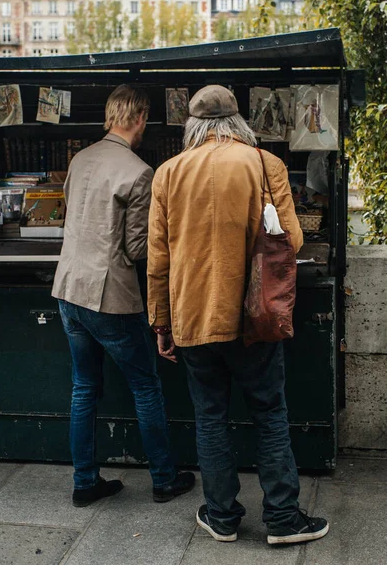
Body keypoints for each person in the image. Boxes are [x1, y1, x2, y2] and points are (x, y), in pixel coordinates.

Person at [147, 85, 329, 545]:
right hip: (255, 317)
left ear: (194, 126)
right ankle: (284, 519)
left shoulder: (167, 173)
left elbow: (158, 261)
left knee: (209, 417)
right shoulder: (265, 164)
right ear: (238, 123)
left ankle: (223, 517)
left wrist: (160, 322)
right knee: (269, 413)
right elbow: (292, 240)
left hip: (192, 318)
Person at [52, 85, 195, 508]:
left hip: (67, 290)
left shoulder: (80, 159)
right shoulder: (139, 171)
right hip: (108, 296)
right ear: (140, 118)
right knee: (146, 386)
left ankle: (84, 483)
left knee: (83, 388)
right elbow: (136, 250)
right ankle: (165, 479)